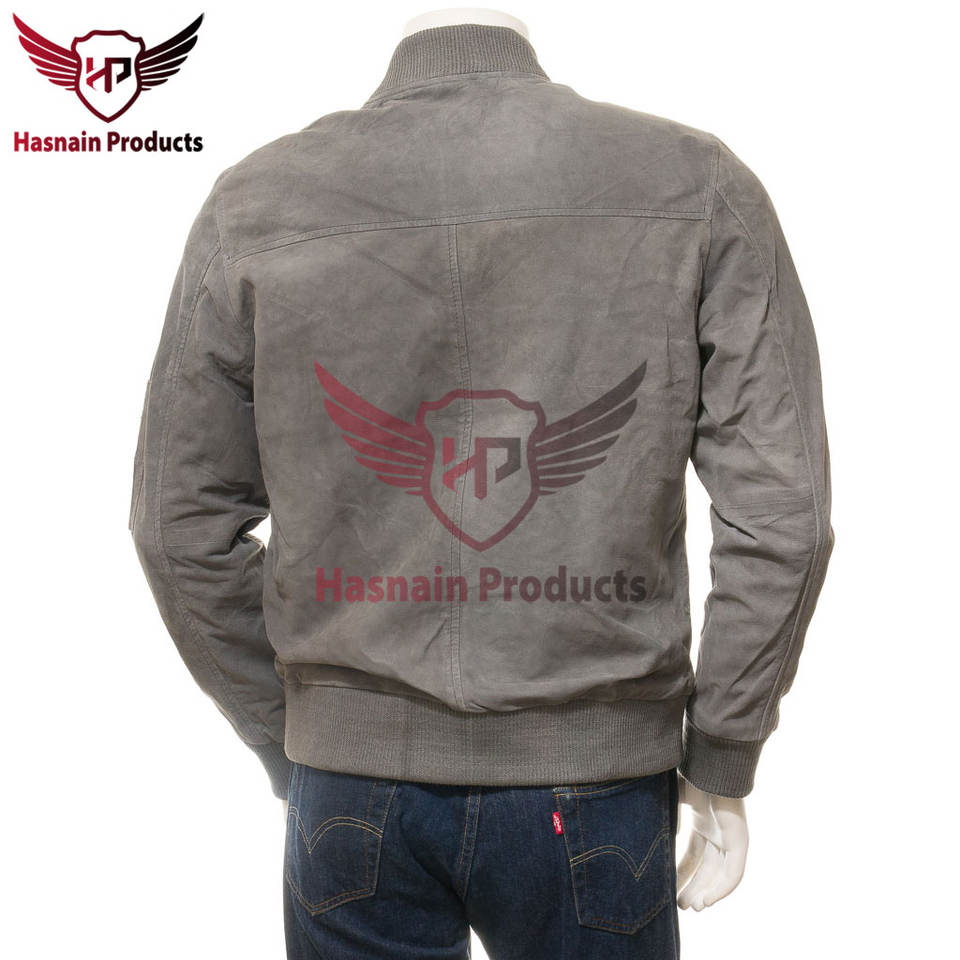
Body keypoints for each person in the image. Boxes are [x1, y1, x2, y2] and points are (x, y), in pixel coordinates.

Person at [129, 9, 835, 959]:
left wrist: (295, 732)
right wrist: (722, 756)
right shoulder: (695, 184)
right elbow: (784, 517)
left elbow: (175, 524)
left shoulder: (255, 205)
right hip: (597, 786)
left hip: (349, 790)